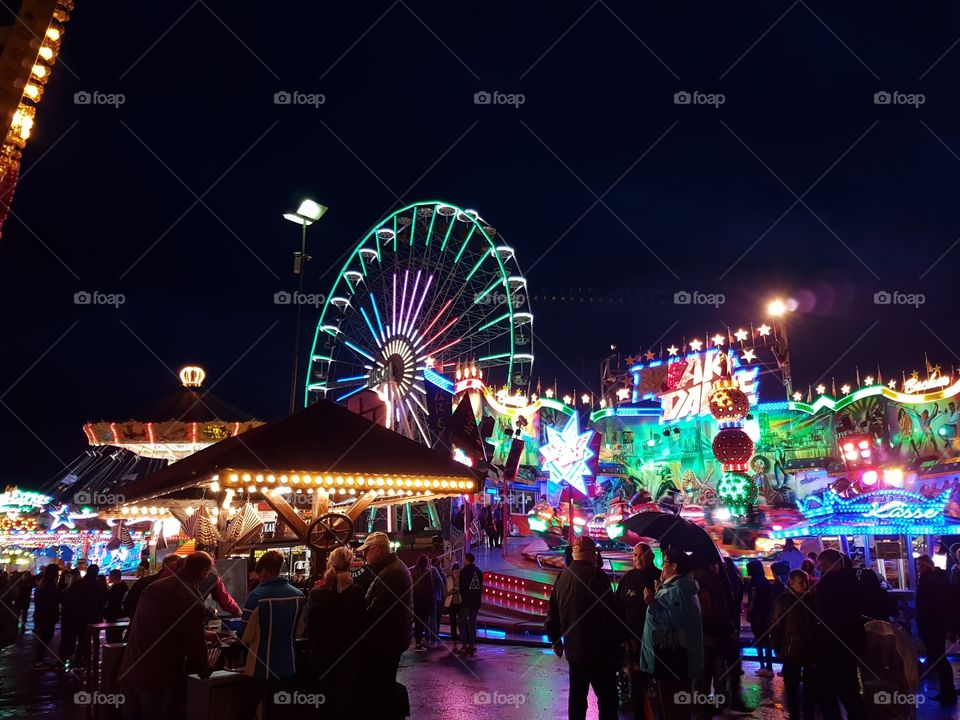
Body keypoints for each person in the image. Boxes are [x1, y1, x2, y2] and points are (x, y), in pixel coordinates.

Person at [118, 552, 214, 719]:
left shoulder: (154, 587)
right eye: (208, 572)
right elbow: (194, 642)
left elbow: (159, 624)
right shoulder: (190, 597)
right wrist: (204, 670)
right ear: (203, 571)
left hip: (130, 669)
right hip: (159, 678)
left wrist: (204, 633)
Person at [546, 536, 623, 720]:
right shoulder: (597, 576)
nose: (596, 556)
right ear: (589, 554)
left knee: (577, 699)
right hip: (599, 652)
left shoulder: (562, 577)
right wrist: (619, 643)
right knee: (607, 700)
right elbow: (610, 613)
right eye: (595, 553)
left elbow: (553, 611)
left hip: (574, 651)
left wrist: (555, 639)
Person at [640, 547, 704, 720]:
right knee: (672, 709)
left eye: (664, 562)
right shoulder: (679, 587)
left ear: (674, 566)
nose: (662, 567)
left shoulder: (678, 590)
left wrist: (652, 603)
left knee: (672, 710)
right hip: (676, 662)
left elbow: (671, 623)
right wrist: (662, 590)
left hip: (672, 662)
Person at [240, 550, 304, 719]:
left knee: (246, 711)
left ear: (264, 572)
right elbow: (299, 631)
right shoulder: (298, 595)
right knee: (280, 714)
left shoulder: (257, 597)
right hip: (288, 667)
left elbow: (245, 635)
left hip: (259, 669)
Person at [358, 531, 413, 718]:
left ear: (377, 551)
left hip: (387, 641)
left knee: (382, 685)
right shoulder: (391, 568)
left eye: (366, 551)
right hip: (392, 638)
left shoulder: (391, 573)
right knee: (384, 683)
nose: (364, 556)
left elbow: (377, 611)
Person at [305, 546, 365, 715]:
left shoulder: (316, 592)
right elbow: (361, 624)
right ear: (350, 564)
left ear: (330, 563)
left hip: (321, 655)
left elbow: (310, 625)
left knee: (321, 704)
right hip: (347, 657)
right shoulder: (357, 592)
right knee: (343, 704)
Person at [812, 549, 866, 719]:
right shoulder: (853, 580)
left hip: (831, 646)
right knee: (849, 691)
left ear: (827, 564)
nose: (819, 569)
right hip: (850, 644)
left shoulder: (827, 584)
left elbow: (823, 615)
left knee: (827, 692)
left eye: (821, 566)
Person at [615, 542, 661, 720]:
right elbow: (618, 608)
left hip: (655, 639)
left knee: (653, 678)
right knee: (637, 679)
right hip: (633, 640)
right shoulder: (628, 578)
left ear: (650, 556)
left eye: (640, 555)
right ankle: (638, 712)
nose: (637, 559)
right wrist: (625, 636)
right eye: (634, 556)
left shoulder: (660, 578)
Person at [771, 569, 816, 720]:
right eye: (801, 582)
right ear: (792, 582)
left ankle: (808, 714)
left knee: (810, 687)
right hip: (792, 650)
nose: (805, 584)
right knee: (792, 687)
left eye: (806, 581)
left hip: (810, 649)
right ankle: (795, 714)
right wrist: (777, 648)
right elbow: (776, 626)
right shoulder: (783, 601)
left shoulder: (812, 599)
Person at [916, 554, 957, 705]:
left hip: (933, 626)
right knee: (940, 658)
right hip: (936, 625)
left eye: (919, 565)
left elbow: (932, 605)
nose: (918, 568)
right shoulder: (936, 578)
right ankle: (947, 690)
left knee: (939, 658)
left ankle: (947, 692)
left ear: (927, 564)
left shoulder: (929, 580)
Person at [59, 563, 106, 668]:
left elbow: (69, 597)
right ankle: (81, 659)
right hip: (90, 616)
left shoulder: (79, 583)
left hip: (75, 614)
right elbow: (101, 601)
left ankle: (66, 658)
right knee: (84, 639)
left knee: (72, 636)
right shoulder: (97, 585)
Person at [122, 554, 181, 621]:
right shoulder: (145, 583)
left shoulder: (144, 582)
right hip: (143, 626)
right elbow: (129, 606)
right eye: (175, 570)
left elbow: (128, 606)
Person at [746, 559, 774, 677]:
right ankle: (769, 667)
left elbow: (752, 599)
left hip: (757, 615)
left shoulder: (754, 582)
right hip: (766, 614)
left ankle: (762, 666)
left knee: (758, 641)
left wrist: (749, 612)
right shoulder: (765, 581)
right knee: (766, 641)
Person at [410, 554, 441, 650]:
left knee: (418, 621)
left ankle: (419, 641)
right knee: (427, 620)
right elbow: (430, 587)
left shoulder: (413, 571)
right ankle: (429, 640)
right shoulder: (428, 572)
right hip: (425, 600)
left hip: (416, 600)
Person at [32, 564, 59, 669]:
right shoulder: (49, 586)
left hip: (43, 616)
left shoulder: (44, 584)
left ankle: (39, 660)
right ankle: (38, 661)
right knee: (45, 638)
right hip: (47, 616)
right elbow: (51, 601)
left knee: (45, 638)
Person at [457, 551, 483, 656]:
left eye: (464, 559)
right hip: (476, 602)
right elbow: (480, 587)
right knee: (473, 624)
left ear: (467, 560)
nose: (463, 561)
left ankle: (464, 645)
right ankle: (471, 645)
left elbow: (461, 588)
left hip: (466, 603)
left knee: (461, 624)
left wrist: (463, 599)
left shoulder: (464, 572)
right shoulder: (479, 572)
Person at [444, 563, 462, 651]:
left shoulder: (462, 579)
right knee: (453, 624)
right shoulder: (448, 579)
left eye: (458, 572)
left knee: (462, 623)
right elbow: (444, 593)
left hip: (460, 603)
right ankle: (454, 642)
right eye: (455, 572)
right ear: (452, 572)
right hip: (451, 604)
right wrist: (451, 592)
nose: (457, 574)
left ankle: (464, 642)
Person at [430, 557, 446, 643]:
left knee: (433, 618)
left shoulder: (432, 572)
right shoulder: (442, 573)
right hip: (440, 598)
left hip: (434, 597)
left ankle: (433, 637)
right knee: (437, 618)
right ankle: (436, 635)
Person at [14, 569, 34, 634]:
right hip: (21, 601)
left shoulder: (27, 583)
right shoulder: (25, 583)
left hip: (23, 601)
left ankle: (21, 626)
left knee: (23, 615)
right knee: (19, 614)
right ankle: (17, 626)